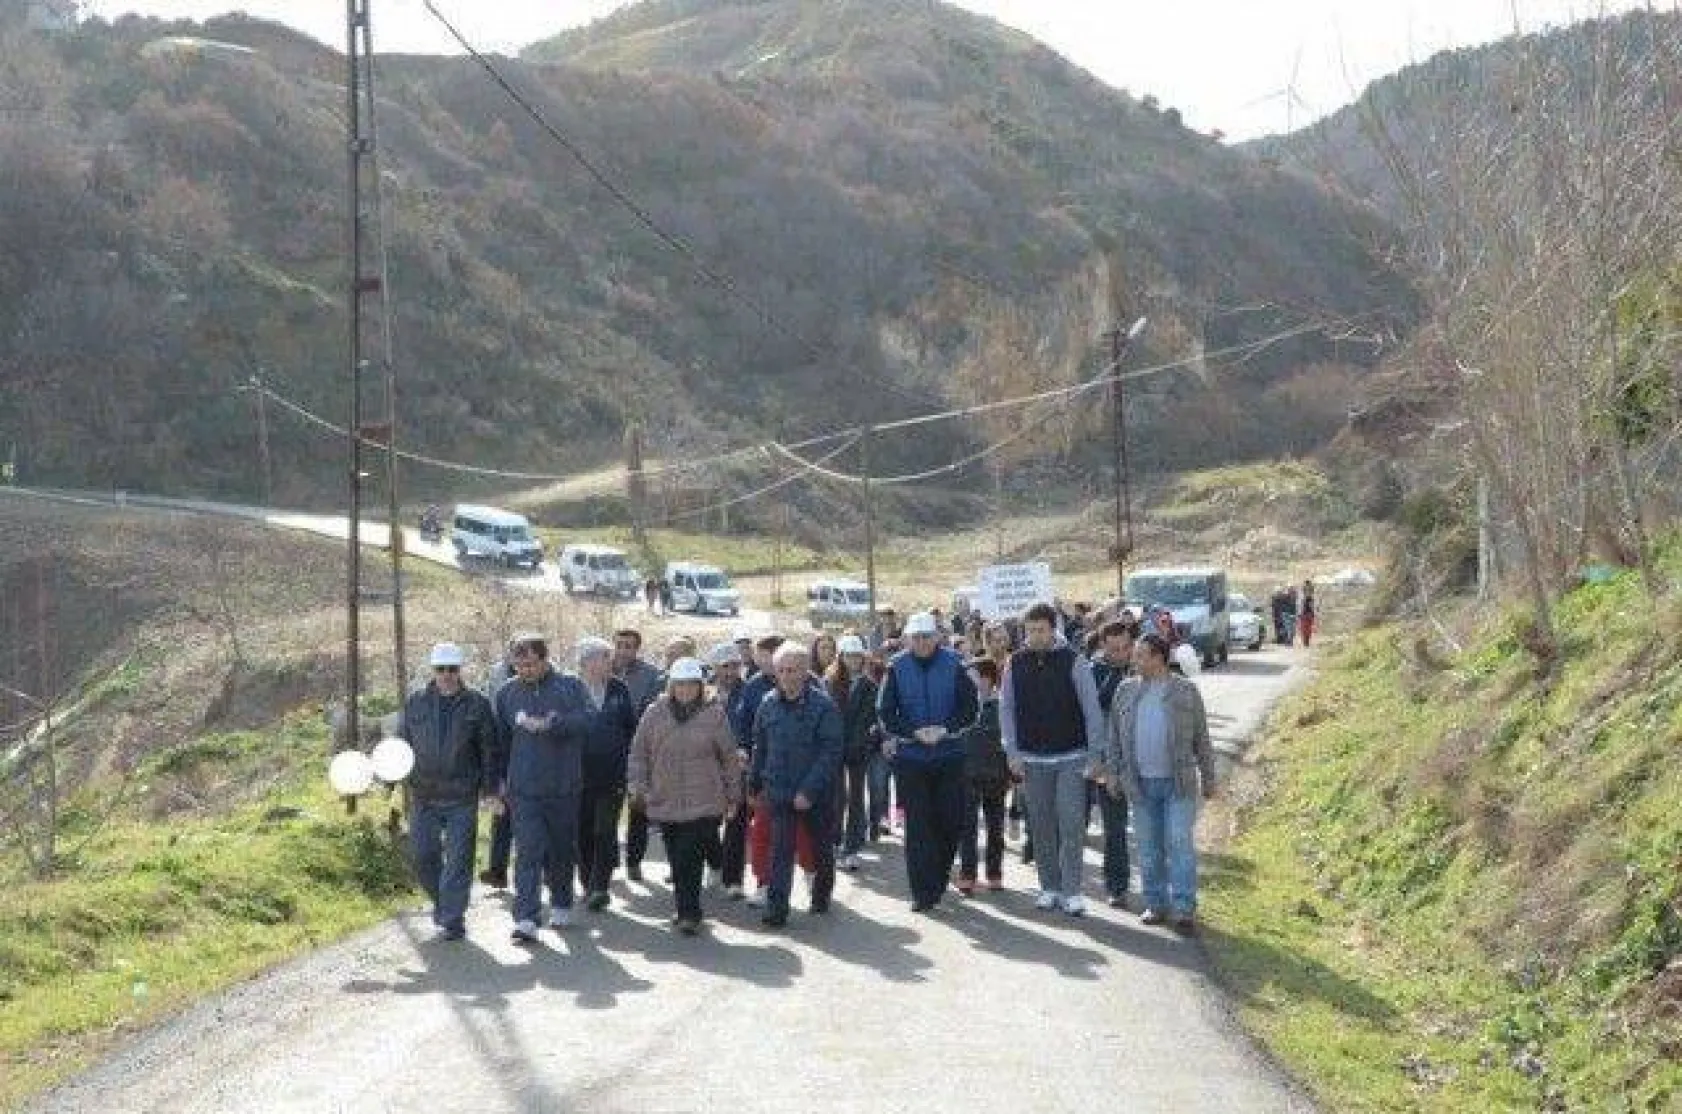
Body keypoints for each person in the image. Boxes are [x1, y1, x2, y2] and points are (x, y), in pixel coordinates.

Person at [1104, 632, 1217, 935]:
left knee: (1179, 841)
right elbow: (1114, 737)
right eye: (1135, 655)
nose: (1134, 660)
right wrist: (1113, 773)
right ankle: (1155, 902)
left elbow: (1202, 738)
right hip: (1140, 785)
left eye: (1141, 655)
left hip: (1178, 783)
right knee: (1149, 847)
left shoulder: (1185, 691)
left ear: (1159, 658)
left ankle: (1183, 908)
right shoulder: (1125, 691)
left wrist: (1209, 777)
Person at [1000, 602, 1106, 916]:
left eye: (1041, 630)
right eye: (1029, 631)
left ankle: (1073, 891)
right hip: (1032, 760)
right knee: (1042, 826)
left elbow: (1091, 710)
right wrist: (1012, 751)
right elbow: (1007, 710)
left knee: (1071, 823)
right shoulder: (1014, 664)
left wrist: (1095, 753)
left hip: (1072, 756)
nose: (1035, 636)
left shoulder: (1074, 661)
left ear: (1053, 628)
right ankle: (1050, 888)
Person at [627, 658, 743, 935]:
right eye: (680, 684)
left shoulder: (714, 714)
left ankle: (689, 913)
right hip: (664, 797)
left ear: (701, 686)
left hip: (704, 799)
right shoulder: (655, 712)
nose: (685, 690)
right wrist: (637, 784)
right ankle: (685, 907)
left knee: (688, 854)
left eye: (691, 684)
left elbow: (728, 757)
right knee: (676, 857)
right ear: (671, 685)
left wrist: (733, 795)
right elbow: (639, 752)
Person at [494, 635, 593, 943]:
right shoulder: (506, 693)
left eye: (531, 664)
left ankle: (562, 901)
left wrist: (555, 724)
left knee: (561, 849)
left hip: (563, 786)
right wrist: (498, 781)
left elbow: (589, 720)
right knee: (528, 851)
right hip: (523, 789)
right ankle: (526, 918)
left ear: (545, 660)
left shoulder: (571, 687)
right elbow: (500, 741)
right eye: (519, 665)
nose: (525, 670)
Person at [877, 611, 978, 913]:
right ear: (907, 639)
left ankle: (940, 872)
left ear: (937, 638)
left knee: (950, 821)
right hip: (911, 758)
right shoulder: (896, 667)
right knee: (919, 826)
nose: (921, 643)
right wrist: (913, 732)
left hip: (949, 755)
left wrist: (945, 729)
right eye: (915, 638)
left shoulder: (955, 663)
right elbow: (886, 711)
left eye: (926, 637)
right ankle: (923, 893)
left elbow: (970, 707)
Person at [400, 642, 502, 940]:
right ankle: (444, 905)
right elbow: (401, 746)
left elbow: (489, 750)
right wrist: (390, 777)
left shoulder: (477, 704)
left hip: (461, 796)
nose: (447, 675)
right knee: (422, 856)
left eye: (452, 669)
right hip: (424, 795)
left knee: (459, 858)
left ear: (460, 671)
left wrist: (490, 790)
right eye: (441, 669)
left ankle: (453, 917)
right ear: (433, 670)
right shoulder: (415, 702)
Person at [749, 643, 842, 928]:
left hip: (814, 794)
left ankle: (821, 894)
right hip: (778, 791)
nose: (787, 676)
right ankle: (777, 910)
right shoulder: (767, 704)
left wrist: (809, 791)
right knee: (780, 851)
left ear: (805, 672)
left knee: (820, 849)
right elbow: (760, 747)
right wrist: (754, 785)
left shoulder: (824, 706)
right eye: (782, 671)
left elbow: (831, 752)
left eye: (793, 670)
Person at [573, 637, 640, 912]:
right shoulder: (571, 690)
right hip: (577, 775)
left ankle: (600, 885)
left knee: (605, 830)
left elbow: (631, 728)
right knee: (583, 831)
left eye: (607, 657)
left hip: (612, 774)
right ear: (587, 661)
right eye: (603, 657)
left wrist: (632, 766)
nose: (609, 662)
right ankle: (588, 880)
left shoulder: (619, 688)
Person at [1088, 619, 1137, 908]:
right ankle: (1116, 886)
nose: (1121, 654)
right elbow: (1095, 707)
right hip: (1109, 763)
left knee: (1152, 829)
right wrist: (1117, 675)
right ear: (1103, 647)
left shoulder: (1146, 665)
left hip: (1144, 761)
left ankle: (1159, 891)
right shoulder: (1094, 672)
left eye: (1125, 648)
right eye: (1114, 649)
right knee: (1115, 828)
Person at [612, 629, 664, 883]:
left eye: (629, 646)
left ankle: (634, 860)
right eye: (620, 645)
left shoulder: (651, 676)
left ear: (637, 649)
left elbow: (650, 716)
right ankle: (608, 859)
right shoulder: (603, 668)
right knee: (608, 808)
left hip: (638, 750)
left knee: (637, 809)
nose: (624, 650)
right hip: (608, 752)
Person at [957, 657, 1010, 894]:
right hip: (967, 775)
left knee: (995, 828)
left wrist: (1012, 774)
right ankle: (968, 874)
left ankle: (994, 873)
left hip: (997, 777)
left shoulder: (1003, 707)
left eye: (973, 678)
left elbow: (1010, 743)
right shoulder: (961, 708)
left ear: (988, 679)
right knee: (967, 827)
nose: (968, 683)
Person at [831, 634, 880, 872]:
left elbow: (867, 719)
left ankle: (851, 847)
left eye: (858, 656)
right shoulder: (829, 682)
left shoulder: (869, 685)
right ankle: (834, 842)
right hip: (833, 749)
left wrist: (858, 743)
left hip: (858, 749)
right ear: (841, 657)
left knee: (857, 798)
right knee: (837, 798)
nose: (854, 660)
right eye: (849, 656)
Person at [709, 642, 752, 899]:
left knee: (736, 822)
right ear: (715, 668)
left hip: (739, 766)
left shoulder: (749, 692)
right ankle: (715, 862)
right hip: (705, 767)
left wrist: (746, 750)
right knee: (706, 821)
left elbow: (754, 727)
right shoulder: (703, 693)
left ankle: (733, 879)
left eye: (735, 666)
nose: (730, 671)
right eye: (725, 666)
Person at [479, 637, 519, 891]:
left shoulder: (544, 677)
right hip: (501, 750)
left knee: (530, 817)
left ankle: (546, 869)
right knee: (501, 814)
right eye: (514, 650)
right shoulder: (497, 673)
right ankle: (497, 870)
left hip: (529, 752)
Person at [1298, 580, 1318, 648]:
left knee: (1308, 628)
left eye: (1309, 590)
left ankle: (1307, 640)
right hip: (1305, 614)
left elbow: (1313, 607)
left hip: (1308, 614)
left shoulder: (1311, 599)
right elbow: (1300, 606)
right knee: (1305, 628)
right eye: (1306, 590)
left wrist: (1314, 613)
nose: (1307, 592)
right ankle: (1305, 640)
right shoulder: (1303, 599)